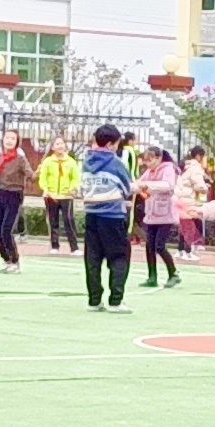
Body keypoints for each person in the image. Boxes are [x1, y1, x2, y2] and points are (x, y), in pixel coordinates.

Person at [77, 120, 135, 308]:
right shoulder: (116, 163)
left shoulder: (86, 162)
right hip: (113, 216)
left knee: (92, 258)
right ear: (111, 144)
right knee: (119, 256)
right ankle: (116, 300)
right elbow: (126, 188)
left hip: (91, 215)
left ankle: (94, 300)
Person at [138, 145, 187, 288]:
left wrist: (147, 186)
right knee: (149, 246)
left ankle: (174, 273)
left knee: (159, 246)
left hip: (165, 214)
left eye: (151, 160)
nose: (148, 164)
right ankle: (152, 276)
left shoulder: (168, 169)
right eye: (146, 161)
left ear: (159, 158)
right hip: (151, 214)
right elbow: (140, 184)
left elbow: (168, 185)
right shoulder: (149, 172)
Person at [0, 124, 34, 268]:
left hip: (14, 195)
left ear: (17, 142)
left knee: (6, 230)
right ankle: (7, 260)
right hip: (1, 193)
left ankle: (15, 261)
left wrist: (37, 174)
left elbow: (31, 175)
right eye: (7, 137)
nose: (9, 141)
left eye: (13, 138)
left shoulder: (20, 159)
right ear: (3, 139)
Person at [37, 133, 81, 261]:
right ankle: (54, 246)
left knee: (69, 221)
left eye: (62, 143)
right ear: (52, 147)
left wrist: (72, 189)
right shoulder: (48, 162)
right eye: (57, 144)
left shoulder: (71, 162)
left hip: (66, 196)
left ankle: (74, 247)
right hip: (51, 196)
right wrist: (46, 190)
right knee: (53, 221)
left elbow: (75, 178)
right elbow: (43, 178)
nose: (60, 146)